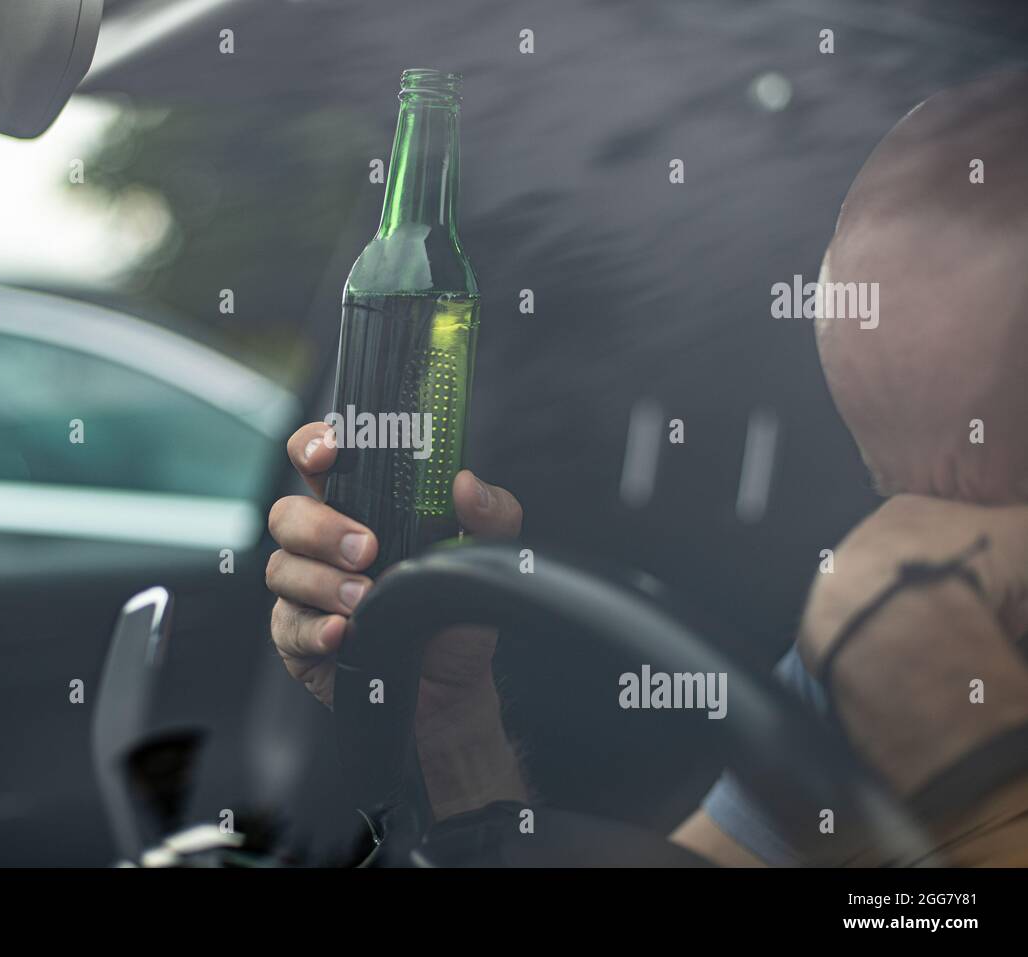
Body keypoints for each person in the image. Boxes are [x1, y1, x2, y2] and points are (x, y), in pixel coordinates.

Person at [265, 70, 1028, 865]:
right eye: (898, 489)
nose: (922, 533)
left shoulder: (895, 612)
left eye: (998, 486)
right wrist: (449, 726)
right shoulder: (879, 637)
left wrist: (963, 754)